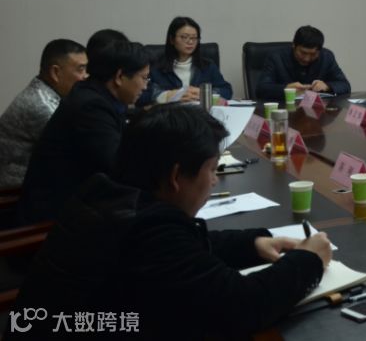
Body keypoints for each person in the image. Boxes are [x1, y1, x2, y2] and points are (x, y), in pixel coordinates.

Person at [13, 105, 330, 339]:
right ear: (177, 176)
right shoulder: (150, 232)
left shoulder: (108, 194)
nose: (214, 181)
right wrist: (309, 260)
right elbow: (244, 306)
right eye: (212, 170)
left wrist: (252, 243)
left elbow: (185, 250)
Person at [18, 39, 150, 224]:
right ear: (120, 77)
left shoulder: (94, 95)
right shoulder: (92, 108)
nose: (145, 86)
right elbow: (119, 165)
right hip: (56, 216)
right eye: (144, 78)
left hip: (82, 203)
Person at [0, 39, 88, 189]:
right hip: (14, 189)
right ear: (55, 72)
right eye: (81, 69)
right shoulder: (41, 106)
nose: (86, 76)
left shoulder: (45, 91)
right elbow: (79, 152)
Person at [147, 16, 233, 104]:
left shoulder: (208, 66)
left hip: (201, 111)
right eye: (184, 37)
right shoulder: (157, 68)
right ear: (172, 39)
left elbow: (227, 90)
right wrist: (169, 96)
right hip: (170, 111)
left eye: (194, 38)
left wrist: (203, 93)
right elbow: (144, 95)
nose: (190, 42)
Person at [255, 25, 350, 100]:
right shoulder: (276, 57)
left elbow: (345, 85)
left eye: (313, 54)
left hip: (316, 112)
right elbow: (261, 89)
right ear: (294, 45)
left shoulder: (326, 57)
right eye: (303, 53)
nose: (307, 59)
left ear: (319, 51)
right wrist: (286, 88)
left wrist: (328, 86)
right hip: (285, 111)